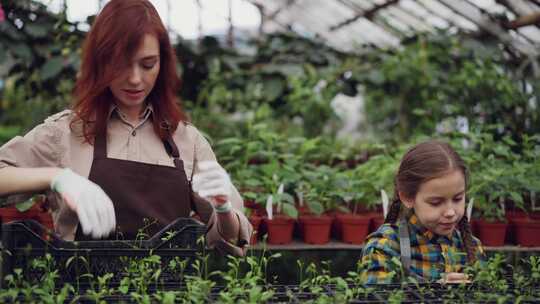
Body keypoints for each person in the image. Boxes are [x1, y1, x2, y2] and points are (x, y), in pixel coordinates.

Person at [0, 0, 251, 256]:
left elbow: (230, 241)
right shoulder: (66, 132)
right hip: (85, 289)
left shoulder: (186, 140)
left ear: (162, 64)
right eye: (120, 64)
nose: (134, 78)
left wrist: (222, 208)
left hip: (167, 292)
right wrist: (56, 177)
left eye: (148, 64)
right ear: (100, 61)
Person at [360, 140, 485, 284]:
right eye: (436, 202)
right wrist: (436, 292)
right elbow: (373, 297)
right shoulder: (386, 245)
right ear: (407, 197)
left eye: (457, 199)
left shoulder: (472, 247)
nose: (450, 212)